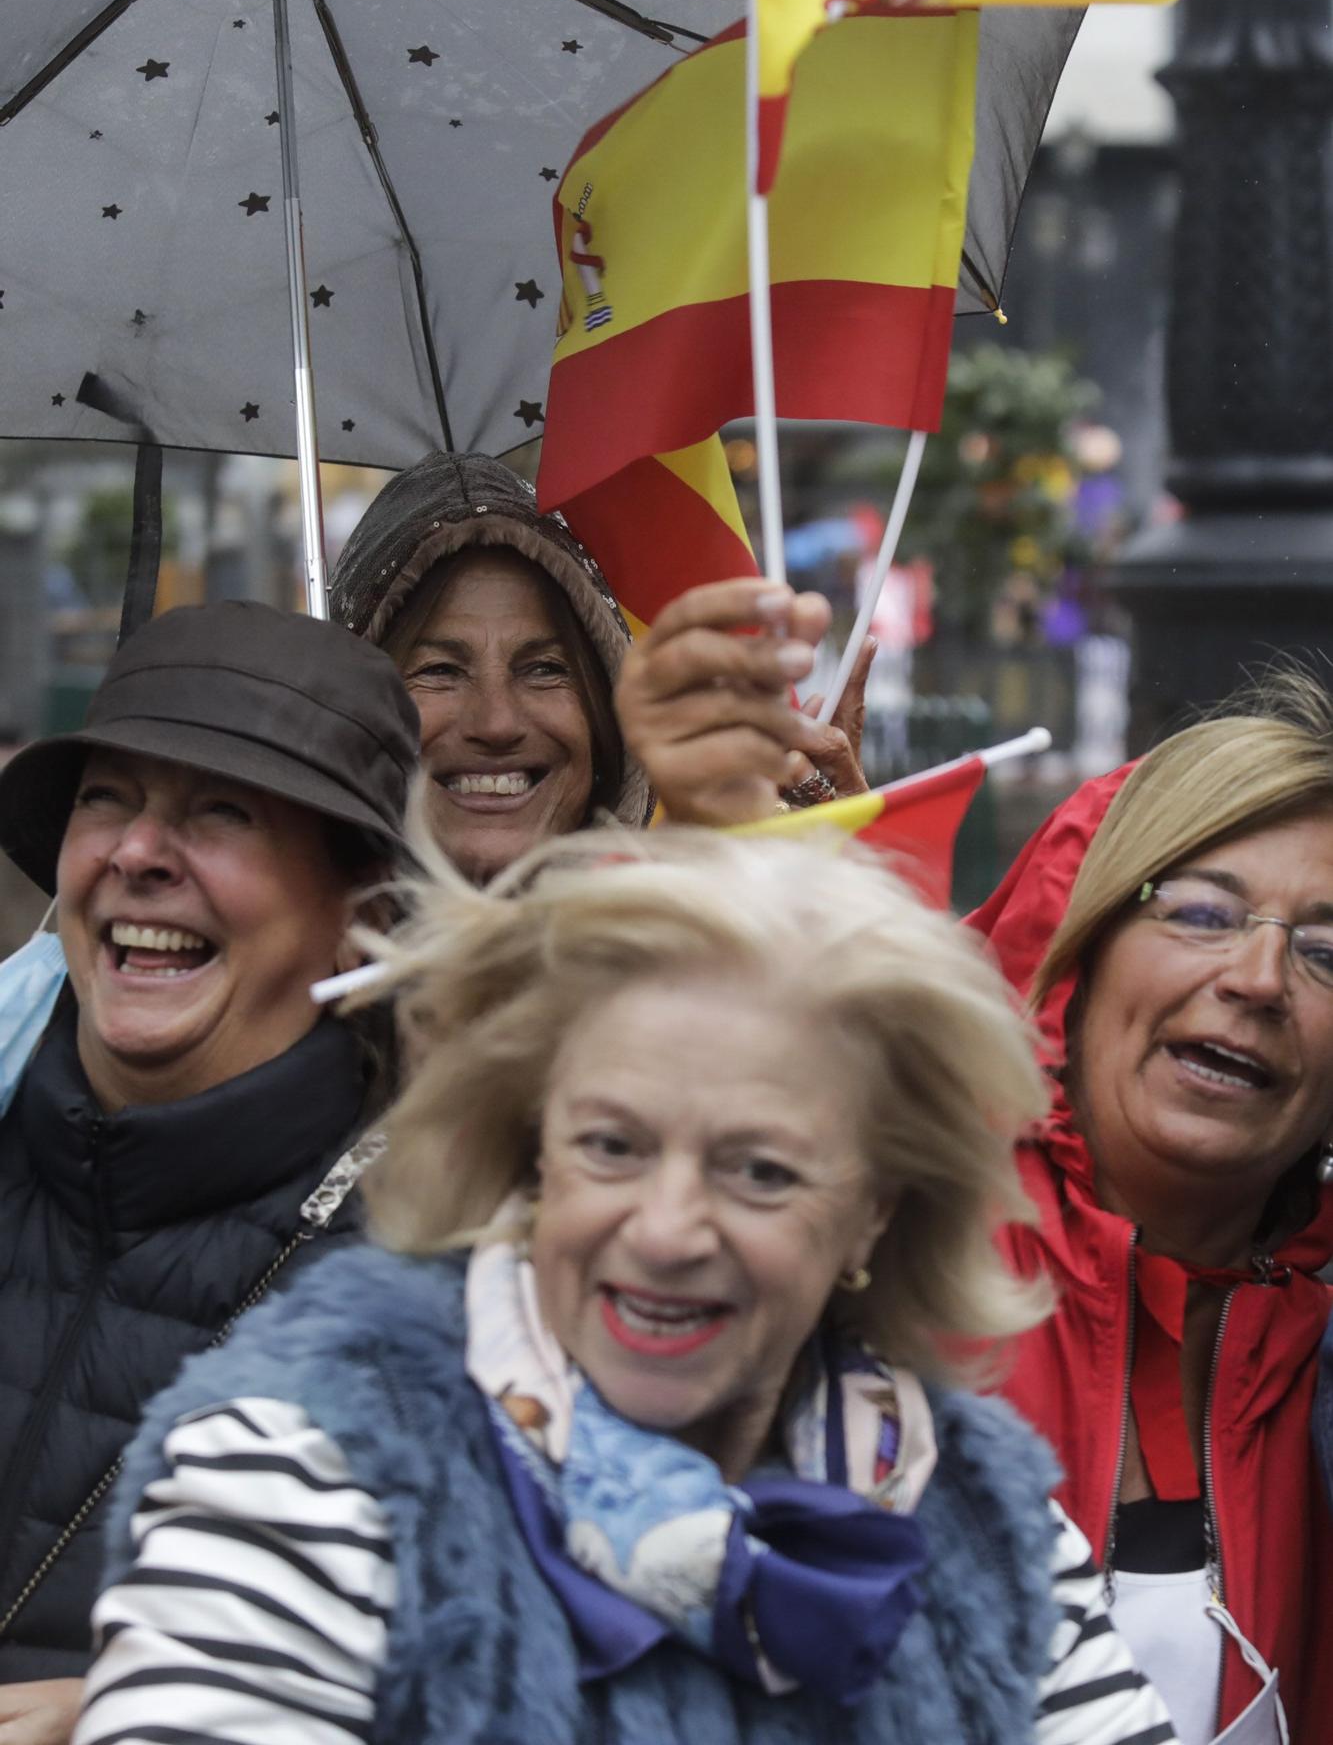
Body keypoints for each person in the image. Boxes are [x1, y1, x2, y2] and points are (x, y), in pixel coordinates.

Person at [75, 833, 1176, 1745]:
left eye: (760, 1170)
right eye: (612, 1144)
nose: (664, 1229)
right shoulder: (312, 1461)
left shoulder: (982, 1526)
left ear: (876, 1208)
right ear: (530, 1152)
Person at [0, 602, 418, 1737]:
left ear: (361, 917)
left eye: (221, 811)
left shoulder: (436, 1275)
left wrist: (160, 1706)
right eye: (108, 797)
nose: (138, 852)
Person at [969, 674, 1333, 1744]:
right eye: (1202, 910)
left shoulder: (1323, 1360)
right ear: (1073, 951)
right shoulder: (879, 1251)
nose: (1260, 976)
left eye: (1328, 951)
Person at [329, 452, 871, 872]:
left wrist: (835, 892)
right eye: (439, 672)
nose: (496, 723)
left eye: (544, 669)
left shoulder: (709, 964)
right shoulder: (279, 974)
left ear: (606, 717)